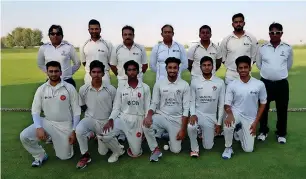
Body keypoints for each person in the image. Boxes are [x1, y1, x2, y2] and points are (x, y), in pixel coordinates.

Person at [20, 61, 81, 167]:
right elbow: (35, 110)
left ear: (61, 72)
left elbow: (76, 111)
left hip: (65, 125)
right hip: (47, 122)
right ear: (47, 72)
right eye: (51, 71)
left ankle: (54, 138)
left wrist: (74, 131)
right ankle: (40, 155)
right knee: (24, 136)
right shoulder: (41, 89)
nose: (53, 74)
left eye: (56, 71)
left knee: (65, 157)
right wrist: (38, 127)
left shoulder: (69, 88)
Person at [101, 60, 151, 160]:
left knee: (136, 153)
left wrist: (145, 125)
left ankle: (134, 142)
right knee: (105, 134)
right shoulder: (121, 87)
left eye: (134, 70)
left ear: (138, 71)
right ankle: (118, 150)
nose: (131, 72)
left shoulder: (145, 87)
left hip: (138, 119)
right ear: (126, 72)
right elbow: (116, 107)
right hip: (123, 118)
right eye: (129, 70)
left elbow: (147, 107)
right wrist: (111, 119)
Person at [143, 57, 190, 162]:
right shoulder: (159, 83)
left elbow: (186, 109)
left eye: (175, 68)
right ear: (166, 68)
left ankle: (169, 135)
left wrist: (183, 130)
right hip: (162, 116)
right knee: (146, 124)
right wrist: (149, 115)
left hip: (176, 119)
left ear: (178, 69)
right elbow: (154, 103)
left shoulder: (185, 85)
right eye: (170, 68)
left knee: (176, 150)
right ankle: (154, 149)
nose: (172, 70)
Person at [222, 56, 267, 159]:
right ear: (237, 69)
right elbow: (227, 104)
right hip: (236, 113)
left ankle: (239, 130)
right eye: (240, 68)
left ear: (250, 68)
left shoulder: (259, 84)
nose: (243, 70)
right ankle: (228, 147)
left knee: (248, 149)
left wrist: (256, 122)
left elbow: (263, 103)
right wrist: (229, 114)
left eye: (245, 67)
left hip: (250, 117)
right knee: (228, 123)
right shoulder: (232, 85)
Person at [75, 60, 117, 169]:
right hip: (91, 119)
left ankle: (98, 136)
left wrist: (110, 120)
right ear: (90, 73)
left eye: (99, 72)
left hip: (106, 122)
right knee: (79, 129)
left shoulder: (111, 89)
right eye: (94, 72)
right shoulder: (83, 89)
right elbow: (83, 106)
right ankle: (85, 155)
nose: (96, 75)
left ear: (103, 74)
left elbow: (115, 108)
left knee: (103, 152)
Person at [256, 23, 293, 144]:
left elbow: (288, 65)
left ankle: (281, 133)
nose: (274, 35)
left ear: (281, 33)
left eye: (277, 32)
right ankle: (263, 131)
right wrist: (269, 74)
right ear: (269, 34)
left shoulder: (287, 48)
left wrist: (278, 74)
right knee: (263, 108)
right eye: (272, 32)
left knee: (282, 109)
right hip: (265, 83)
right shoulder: (262, 48)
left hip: (282, 84)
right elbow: (259, 64)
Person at [187, 56, 225, 157]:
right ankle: (194, 149)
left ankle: (203, 132)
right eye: (204, 65)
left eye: (209, 65)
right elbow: (192, 100)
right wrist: (193, 114)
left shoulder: (220, 82)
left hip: (211, 116)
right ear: (200, 67)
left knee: (208, 147)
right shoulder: (195, 81)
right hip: (198, 114)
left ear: (213, 67)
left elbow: (221, 104)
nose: (206, 67)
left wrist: (218, 123)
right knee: (191, 127)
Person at [220, 13, 258, 86]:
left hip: (246, 73)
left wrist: (245, 68)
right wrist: (232, 67)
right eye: (236, 22)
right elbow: (223, 58)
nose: (238, 24)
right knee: (230, 97)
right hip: (231, 74)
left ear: (244, 23)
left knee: (246, 96)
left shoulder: (251, 38)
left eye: (240, 22)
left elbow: (254, 57)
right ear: (232, 24)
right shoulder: (226, 39)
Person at [80, 19, 113, 85]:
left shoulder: (108, 44)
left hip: (104, 76)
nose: (94, 31)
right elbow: (84, 62)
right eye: (92, 29)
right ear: (88, 30)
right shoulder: (83, 44)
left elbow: (111, 62)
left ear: (100, 29)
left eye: (96, 29)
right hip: (89, 77)